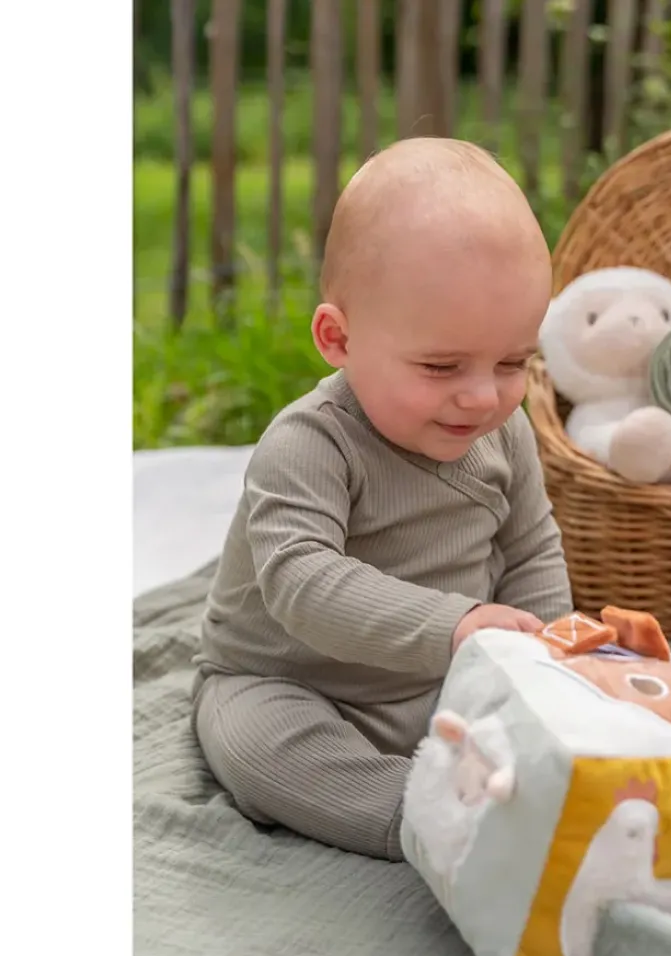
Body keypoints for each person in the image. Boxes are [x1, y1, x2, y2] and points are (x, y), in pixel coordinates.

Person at [191, 137, 573, 861]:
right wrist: (457, 625)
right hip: (296, 682)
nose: (482, 396)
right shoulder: (311, 444)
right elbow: (302, 582)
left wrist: (548, 669)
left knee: (555, 721)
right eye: (441, 366)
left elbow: (531, 552)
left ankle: (506, 783)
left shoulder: (505, 431)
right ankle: (420, 816)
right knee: (254, 742)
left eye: (511, 361)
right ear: (338, 338)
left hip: (441, 681)